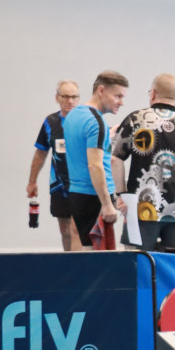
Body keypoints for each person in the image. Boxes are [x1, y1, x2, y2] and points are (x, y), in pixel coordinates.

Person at [111, 74, 175, 253]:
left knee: (137, 265)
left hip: (140, 208)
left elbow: (115, 159)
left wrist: (120, 195)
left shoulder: (135, 119)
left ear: (153, 93)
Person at [64, 70, 129, 249]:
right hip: (95, 197)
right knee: (98, 258)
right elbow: (95, 166)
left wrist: (108, 135)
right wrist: (107, 205)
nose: (121, 102)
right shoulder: (97, 123)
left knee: (88, 250)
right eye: (117, 96)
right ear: (101, 90)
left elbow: (82, 148)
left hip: (78, 194)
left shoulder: (74, 114)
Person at [26, 80, 82, 251]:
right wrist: (32, 181)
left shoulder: (86, 120)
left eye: (74, 97)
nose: (70, 101)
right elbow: (41, 153)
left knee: (76, 229)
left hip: (81, 185)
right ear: (57, 98)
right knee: (65, 230)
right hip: (59, 185)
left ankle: (76, 270)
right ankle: (68, 263)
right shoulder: (50, 122)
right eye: (65, 96)